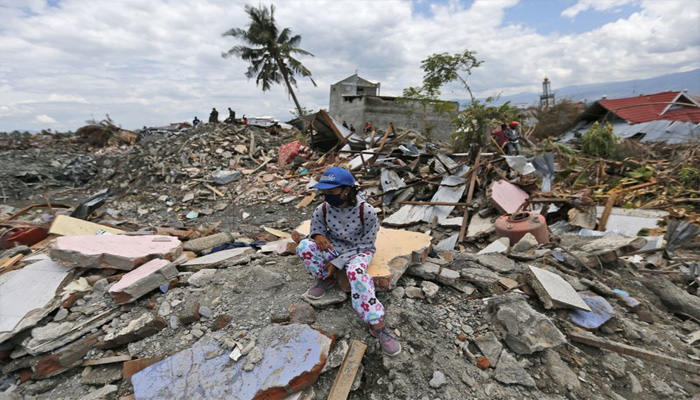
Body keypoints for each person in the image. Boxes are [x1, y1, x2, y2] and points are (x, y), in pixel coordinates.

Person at [293, 167, 401, 356]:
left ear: (347, 190)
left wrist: (338, 263)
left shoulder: (366, 211)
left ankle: (377, 324)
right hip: (334, 246)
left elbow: (367, 243)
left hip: (359, 250)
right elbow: (316, 227)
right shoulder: (323, 208)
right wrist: (318, 236)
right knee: (304, 246)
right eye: (324, 192)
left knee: (356, 273)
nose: (327, 196)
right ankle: (326, 278)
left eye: (332, 192)